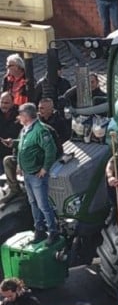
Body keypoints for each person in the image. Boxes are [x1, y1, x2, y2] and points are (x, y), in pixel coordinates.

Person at [15, 102, 58, 242]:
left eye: (20, 115)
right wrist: (19, 165)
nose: (19, 117)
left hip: (37, 175)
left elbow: (51, 150)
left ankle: (53, 231)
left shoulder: (41, 130)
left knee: (43, 205)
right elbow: (23, 147)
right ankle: (39, 229)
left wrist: (45, 168)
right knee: (33, 202)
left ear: (25, 116)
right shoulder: (25, 130)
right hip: (27, 173)